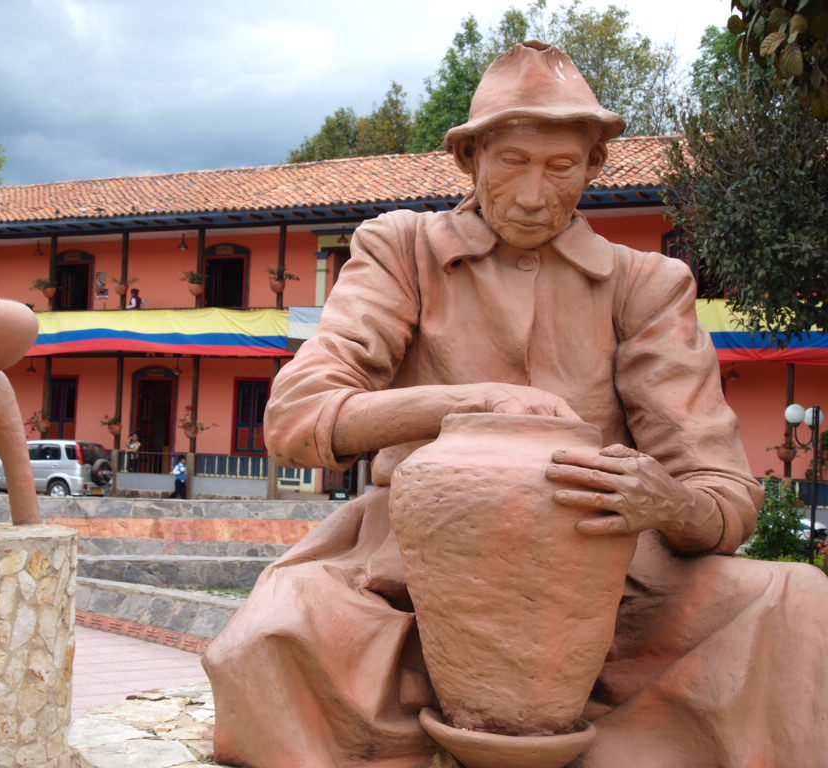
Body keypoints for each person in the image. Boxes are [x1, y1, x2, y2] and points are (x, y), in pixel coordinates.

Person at [202, 41, 828, 768]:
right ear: (470, 162)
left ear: (596, 166)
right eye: (512, 164)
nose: (535, 195)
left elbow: (723, 494)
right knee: (278, 634)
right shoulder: (402, 250)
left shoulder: (645, 285)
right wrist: (471, 405)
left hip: (613, 578)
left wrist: (669, 505)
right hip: (412, 567)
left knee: (794, 599)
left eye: (561, 167)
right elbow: (296, 419)